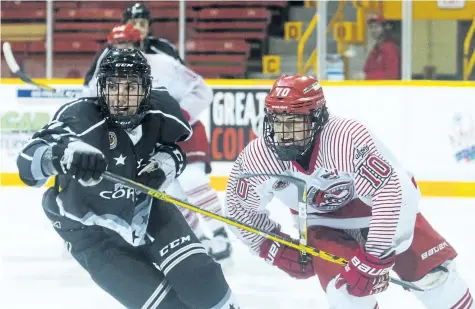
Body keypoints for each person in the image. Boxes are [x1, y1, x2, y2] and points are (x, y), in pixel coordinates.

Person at [17, 48, 240, 309]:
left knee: (203, 280)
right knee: (166, 306)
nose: (120, 97)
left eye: (131, 87)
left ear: (147, 89)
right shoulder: (81, 119)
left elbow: (175, 151)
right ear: (101, 88)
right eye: (113, 86)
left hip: (146, 210)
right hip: (89, 231)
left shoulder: (162, 111)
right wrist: (60, 156)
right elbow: (26, 162)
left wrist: (165, 164)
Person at [224, 74, 473, 309]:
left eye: (294, 123)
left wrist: (375, 257)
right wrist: (272, 247)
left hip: (382, 212)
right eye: (278, 123)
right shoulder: (259, 157)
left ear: (317, 119)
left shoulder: (345, 137)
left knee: (438, 283)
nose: (284, 136)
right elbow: (238, 210)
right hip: (323, 225)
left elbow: (393, 193)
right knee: (345, 293)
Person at [84, 24, 234, 264]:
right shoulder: (105, 69)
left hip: (182, 129)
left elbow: (202, 90)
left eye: (128, 45)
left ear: (139, 44)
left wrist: (177, 118)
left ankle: (220, 234)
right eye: (117, 45)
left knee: (192, 180)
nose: (122, 50)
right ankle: (198, 239)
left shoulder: (163, 64)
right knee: (170, 191)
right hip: (152, 135)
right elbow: (91, 100)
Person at [83, 2, 183, 86]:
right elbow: (90, 82)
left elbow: (183, 79)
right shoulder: (110, 49)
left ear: (149, 28)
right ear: (124, 26)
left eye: (142, 24)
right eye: (133, 23)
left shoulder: (164, 47)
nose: (138, 28)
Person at [362, 14, 400, 80]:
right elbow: (366, 69)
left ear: (384, 27)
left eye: (376, 26)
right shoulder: (376, 49)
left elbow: (392, 75)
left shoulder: (389, 47)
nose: (373, 30)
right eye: (371, 27)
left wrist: (366, 76)